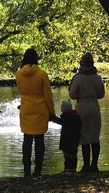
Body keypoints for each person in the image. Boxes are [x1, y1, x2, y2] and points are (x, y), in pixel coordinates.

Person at [16, 48, 55, 178]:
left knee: (27, 140)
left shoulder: (19, 74)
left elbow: (22, 91)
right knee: (39, 141)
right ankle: (38, 170)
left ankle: (26, 171)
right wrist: (52, 112)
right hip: (40, 109)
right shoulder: (42, 74)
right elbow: (48, 96)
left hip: (26, 109)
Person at [69, 52, 105, 173]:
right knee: (95, 137)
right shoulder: (98, 77)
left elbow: (72, 95)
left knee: (84, 137)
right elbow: (101, 95)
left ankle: (86, 166)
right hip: (94, 107)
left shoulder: (78, 77)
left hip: (82, 108)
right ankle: (94, 165)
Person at [50, 100, 82, 174]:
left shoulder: (67, 117)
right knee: (73, 155)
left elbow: (60, 121)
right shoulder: (76, 116)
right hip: (75, 139)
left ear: (63, 109)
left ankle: (68, 169)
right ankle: (73, 168)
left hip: (67, 140)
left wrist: (51, 118)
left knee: (67, 155)